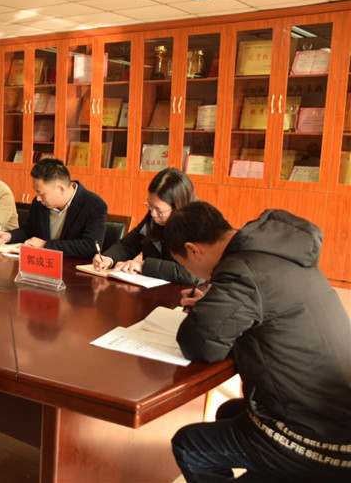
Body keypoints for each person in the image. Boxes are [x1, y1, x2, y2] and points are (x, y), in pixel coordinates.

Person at [164, 201, 351, 483]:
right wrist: (214, 304)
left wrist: (206, 309)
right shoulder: (276, 253)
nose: (192, 272)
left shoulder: (242, 270)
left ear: (193, 249)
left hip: (317, 439)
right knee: (229, 411)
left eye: (183, 263)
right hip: (335, 412)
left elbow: (200, 345)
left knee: (190, 445)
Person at [92, 167, 198, 285]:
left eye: (159, 210)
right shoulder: (153, 219)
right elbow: (127, 245)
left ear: (178, 207)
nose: (153, 214)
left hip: (184, 293)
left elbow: (191, 273)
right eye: (150, 206)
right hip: (151, 290)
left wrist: (144, 265)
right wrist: (109, 258)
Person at [0, 158, 107, 258]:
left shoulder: (94, 205)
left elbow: (90, 246)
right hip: (41, 266)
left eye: (41, 193)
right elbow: (29, 230)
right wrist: (10, 236)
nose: (38, 198)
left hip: (73, 269)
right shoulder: (40, 203)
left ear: (60, 189)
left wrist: (45, 245)